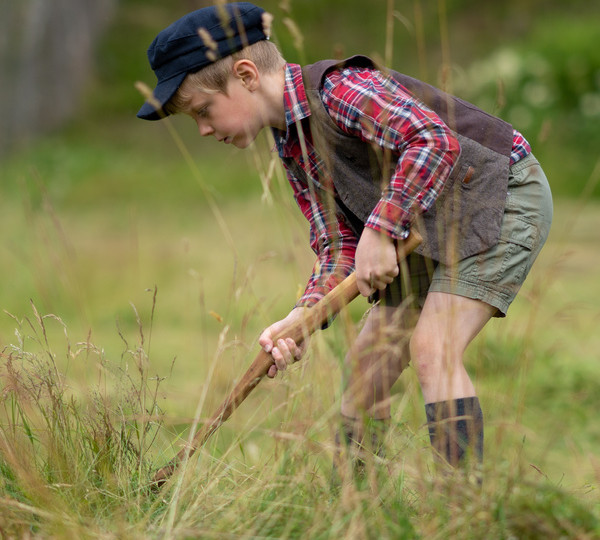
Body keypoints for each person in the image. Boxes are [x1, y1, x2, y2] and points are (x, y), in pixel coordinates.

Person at [137, 2, 552, 476]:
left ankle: (463, 513)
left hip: (497, 195)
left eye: (203, 111)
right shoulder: (292, 144)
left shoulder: (340, 90)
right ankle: (360, 512)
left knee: (433, 349)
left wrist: (380, 227)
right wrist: (303, 313)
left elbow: (433, 141)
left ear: (247, 74)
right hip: (422, 220)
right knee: (366, 368)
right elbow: (338, 249)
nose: (204, 128)